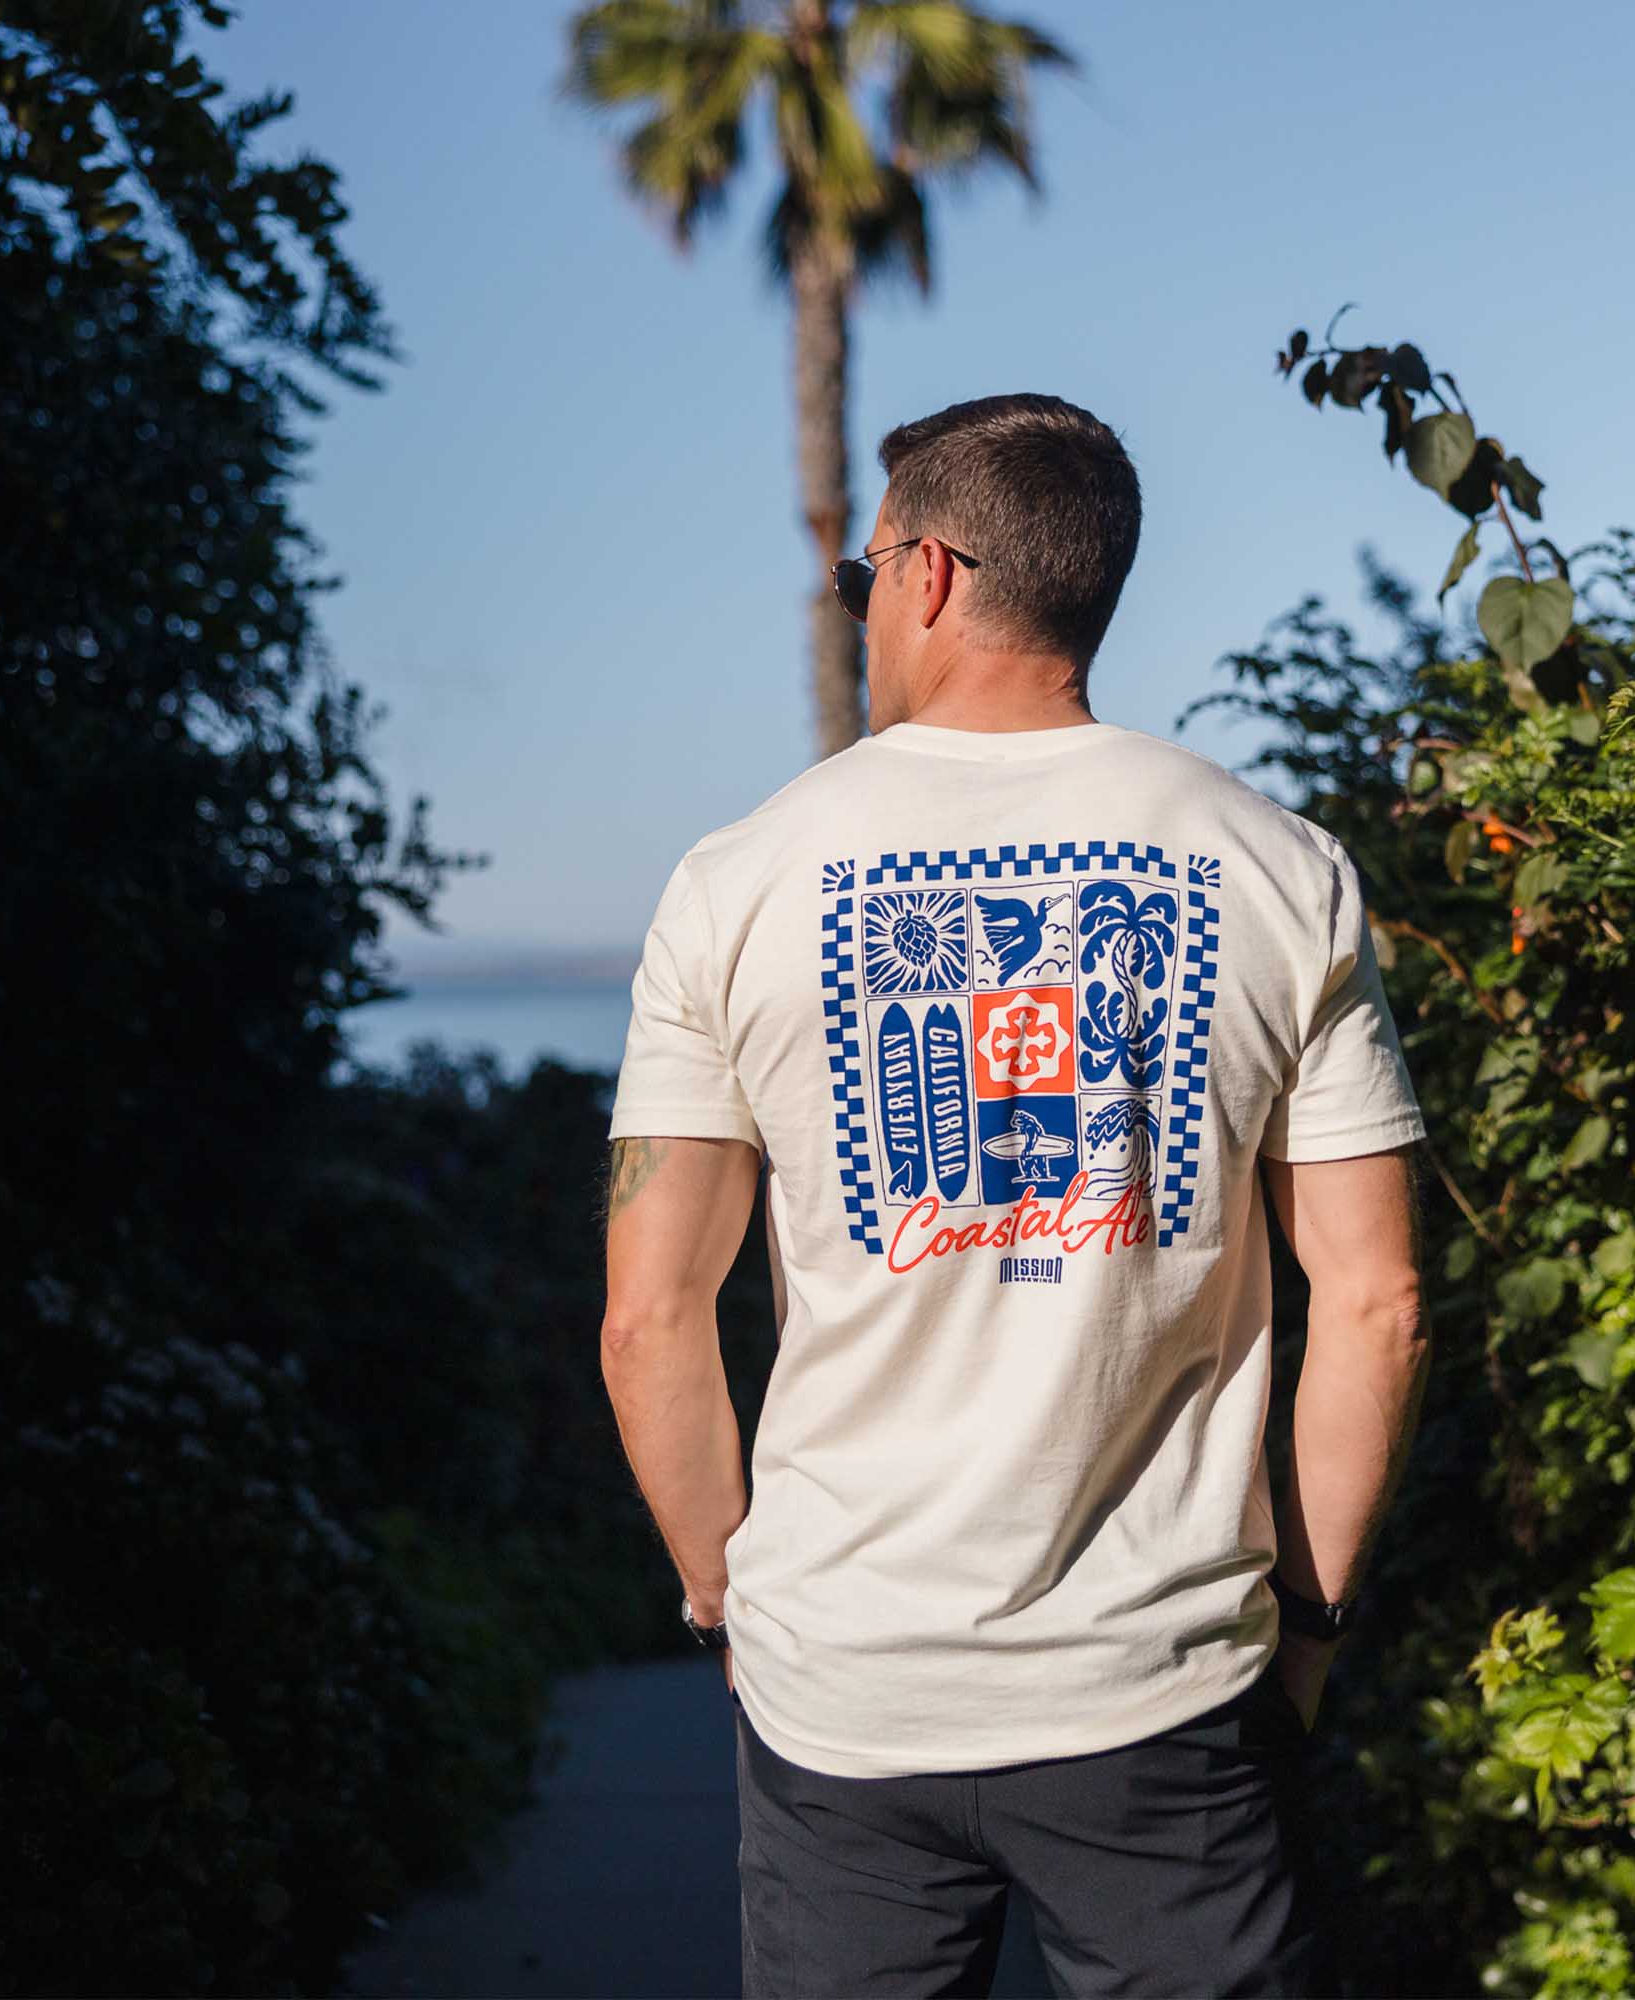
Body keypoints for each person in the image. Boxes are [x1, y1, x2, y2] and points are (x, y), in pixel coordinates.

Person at [600, 392, 1431, 1998]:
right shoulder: (1276, 865)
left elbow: (652, 1318)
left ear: (926, 573)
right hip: (1163, 1690)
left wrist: (734, 1604)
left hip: (842, 1699)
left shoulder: (738, 880)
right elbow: (1378, 1303)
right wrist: (1308, 1633)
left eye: (861, 581)